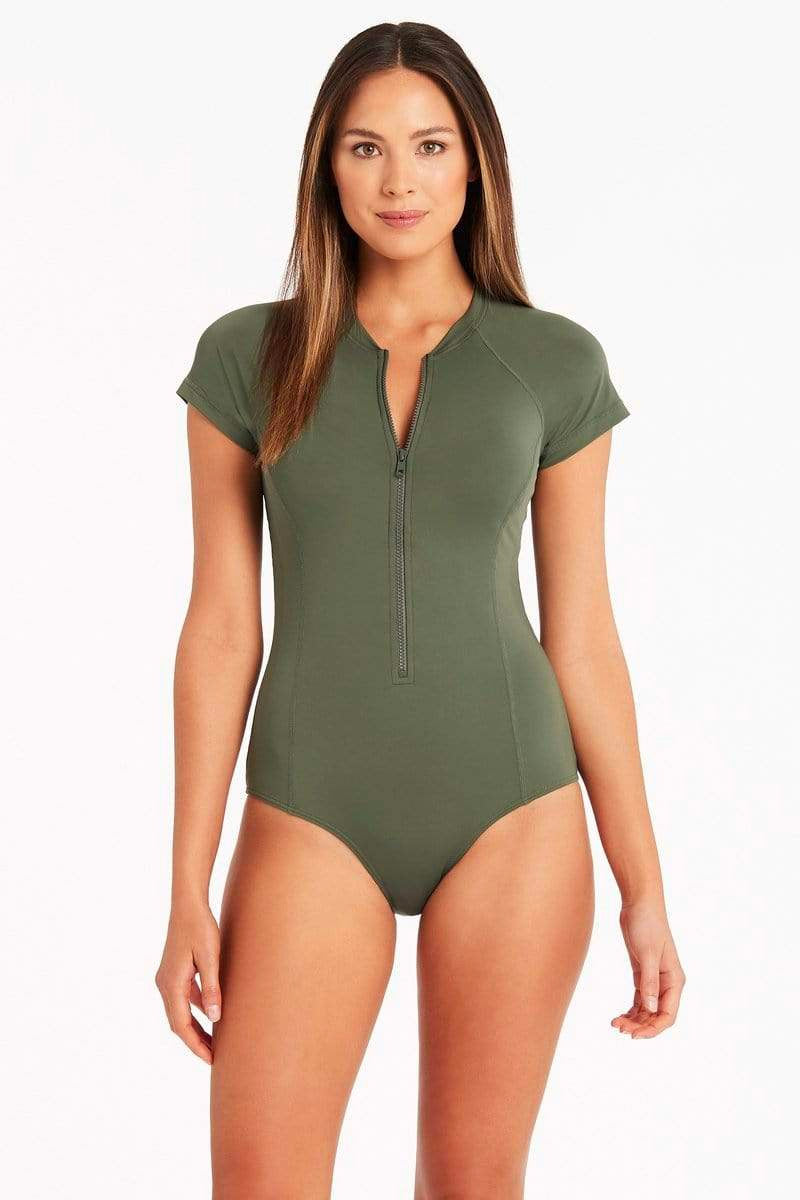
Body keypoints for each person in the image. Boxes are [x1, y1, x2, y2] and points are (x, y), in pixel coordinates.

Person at [156, 20, 686, 1199]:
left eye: (429, 145)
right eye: (365, 148)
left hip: (513, 810)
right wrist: (186, 883)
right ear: (325, 166)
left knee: (470, 1185)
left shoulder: (552, 364)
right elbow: (221, 626)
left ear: (474, 161)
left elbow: (583, 636)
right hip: (310, 811)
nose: (398, 180)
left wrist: (642, 887)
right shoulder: (249, 357)